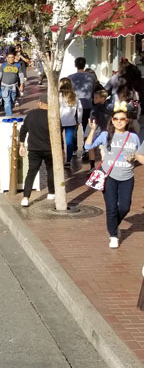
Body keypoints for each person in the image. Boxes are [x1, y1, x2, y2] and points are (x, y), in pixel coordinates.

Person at [84, 104, 144, 247]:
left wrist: (135, 156)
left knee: (124, 207)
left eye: (122, 119)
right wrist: (92, 131)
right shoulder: (106, 135)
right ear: (112, 120)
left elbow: (140, 156)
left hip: (127, 177)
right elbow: (87, 146)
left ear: (127, 121)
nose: (118, 121)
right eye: (115, 118)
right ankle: (113, 235)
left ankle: (113, 224)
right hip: (108, 175)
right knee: (111, 207)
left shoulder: (134, 137)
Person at [17, 99, 55, 207]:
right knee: (51, 170)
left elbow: (23, 130)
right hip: (49, 148)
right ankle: (51, 193)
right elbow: (58, 132)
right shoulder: (52, 115)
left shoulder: (31, 114)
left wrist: (22, 144)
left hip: (34, 149)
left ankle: (25, 197)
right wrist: (61, 149)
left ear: (41, 103)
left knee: (31, 172)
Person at [58, 78, 83, 170]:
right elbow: (80, 110)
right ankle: (68, 160)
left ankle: (60, 158)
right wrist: (79, 121)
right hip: (71, 121)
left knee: (59, 141)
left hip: (59, 120)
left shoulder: (58, 96)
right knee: (69, 142)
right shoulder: (75, 96)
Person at [66, 57, 94, 135]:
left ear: (75, 65)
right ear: (84, 65)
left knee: (74, 128)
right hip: (87, 104)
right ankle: (86, 145)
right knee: (86, 128)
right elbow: (93, 89)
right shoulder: (91, 77)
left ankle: (74, 146)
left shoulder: (70, 77)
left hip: (74, 105)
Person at [0, 51, 24, 116]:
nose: (11, 59)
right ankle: (8, 116)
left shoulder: (17, 65)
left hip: (14, 86)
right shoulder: (3, 65)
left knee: (12, 101)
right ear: (7, 58)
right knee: (7, 101)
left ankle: (9, 111)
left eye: (12, 57)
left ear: (14, 58)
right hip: (4, 86)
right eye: (9, 57)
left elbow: (21, 75)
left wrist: (22, 85)